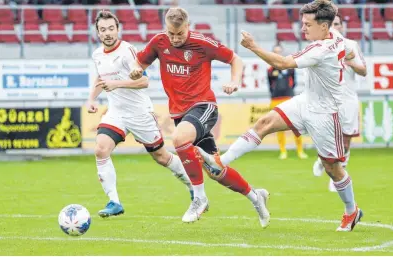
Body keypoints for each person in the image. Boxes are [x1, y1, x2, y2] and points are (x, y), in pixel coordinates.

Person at [198, 0, 363, 232]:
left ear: (324, 27)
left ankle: (351, 211)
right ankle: (220, 162)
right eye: (302, 23)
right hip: (305, 101)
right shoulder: (334, 37)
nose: (302, 28)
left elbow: (283, 62)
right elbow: (350, 49)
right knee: (264, 122)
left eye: (307, 24)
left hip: (325, 113)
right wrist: (353, 58)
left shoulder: (320, 49)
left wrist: (253, 46)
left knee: (332, 168)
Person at [129, 7, 270, 227]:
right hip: (180, 113)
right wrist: (136, 70)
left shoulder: (202, 43)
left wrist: (234, 81)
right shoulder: (159, 42)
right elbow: (139, 64)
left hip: (204, 106)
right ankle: (255, 196)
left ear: (188, 27)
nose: (175, 39)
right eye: (171, 34)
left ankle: (199, 198)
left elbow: (235, 59)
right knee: (215, 169)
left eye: (180, 34)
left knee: (178, 139)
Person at [86, 10, 193, 218]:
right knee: (100, 149)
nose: (107, 33)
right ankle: (114, 202)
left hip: (139, 113)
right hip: (116, 113)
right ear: (98, 33)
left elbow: (144, 81)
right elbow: (100, 77)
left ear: (118, 29)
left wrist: (116, 84)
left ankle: (192, 184)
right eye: (102, 30)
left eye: (110, 28)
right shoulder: (97, 54)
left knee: (161, 157)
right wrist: (91, 99)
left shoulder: (128, 51)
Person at [312, 14, 367, 192]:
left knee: (345, 142)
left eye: (337, 24)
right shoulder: (320, 45)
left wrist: (348, 60)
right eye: (331, 24)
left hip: (348, 100)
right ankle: (323, 160)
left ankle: (338, 175)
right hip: (327, 99)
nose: (334, 27)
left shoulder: (351, 45)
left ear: (342, 27)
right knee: (328, 137)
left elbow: (363, 70)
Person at [267, 44, 308, 160]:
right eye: (275, 52)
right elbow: (270, 85)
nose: (277, 54)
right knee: (278, 127)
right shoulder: (270, 69)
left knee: (296, 125)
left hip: (289, 98)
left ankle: (300, 150)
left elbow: (293, 83)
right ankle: (283, 151)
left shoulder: (289, 67)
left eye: (279, 51)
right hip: (276, 99)